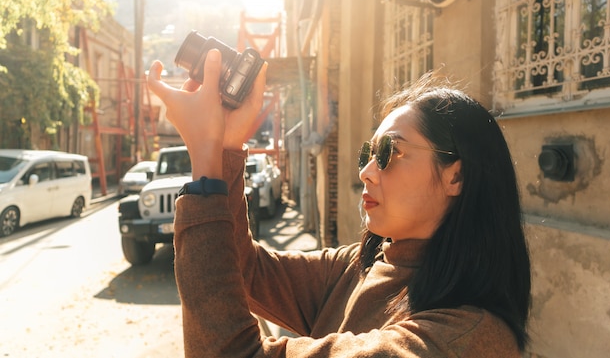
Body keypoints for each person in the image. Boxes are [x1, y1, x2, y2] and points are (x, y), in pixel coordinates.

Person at [147, 49, 531, 357]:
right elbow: (244, 268)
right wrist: (228, 147)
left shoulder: (463, 339)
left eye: (389, 152)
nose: (366, 170)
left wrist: (206, 161)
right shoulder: (360, 265)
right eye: (368, 152)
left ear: (457, 176)